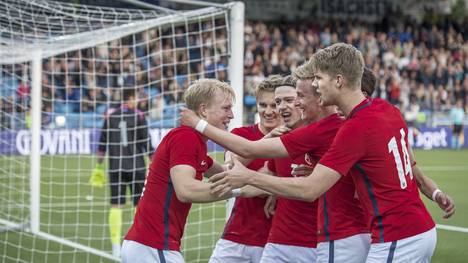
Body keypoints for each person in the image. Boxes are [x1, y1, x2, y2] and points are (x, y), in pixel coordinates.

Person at [206, 43, 454, 262]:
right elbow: (400, 168)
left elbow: (310, 189)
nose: (315, 85)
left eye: (318, 79)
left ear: (338, 80)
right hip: (419, 228)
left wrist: (201, 127)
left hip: (393, 235)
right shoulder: (386, 109)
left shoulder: (352, 128)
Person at [180, 65, 371, 263]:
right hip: (261, 239)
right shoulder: (257, 137)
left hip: (321, 240)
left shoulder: (324, 133)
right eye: (268, 104)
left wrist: (198, 124)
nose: (276, 109)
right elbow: (241, 167)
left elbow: (312, 186)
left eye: (289, 100)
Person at [120, 79, 258, 263]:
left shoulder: (193, 141)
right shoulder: (186, 138)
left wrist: (264, 147)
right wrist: (239, 190)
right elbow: (186, 190)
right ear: (203, 110)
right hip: (153, 246)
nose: (232, 115)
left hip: (150, 245)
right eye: (226, 108)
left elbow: (226, 172)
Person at [209, 75, 281, 263]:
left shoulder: (294, 140)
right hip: (237, 235)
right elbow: (231, 170)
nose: (269, 111)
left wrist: (260, 182)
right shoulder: (241, 135)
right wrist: (274, 184)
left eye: (274, 105)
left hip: (276, 241)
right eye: (263, 105)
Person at [259, 75, 318, 263]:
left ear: (302, 101)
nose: (281, 107)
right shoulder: (280, 141)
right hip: (278, 242)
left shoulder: (324, 136)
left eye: (288, 100)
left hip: (317, 244)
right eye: (278, 101)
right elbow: (267, 175)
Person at [90, 88, 152, 257]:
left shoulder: (110, 115)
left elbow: (102, 143)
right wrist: (154, 161)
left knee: (116, 205)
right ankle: (137, 242)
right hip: (136, 166)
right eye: (137, 97)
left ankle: (115, 245)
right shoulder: (139, 116)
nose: (138, 100)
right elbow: (145, 142)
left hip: (116, 166)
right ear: (131, 98)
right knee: (139, 205)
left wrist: (98, 166)